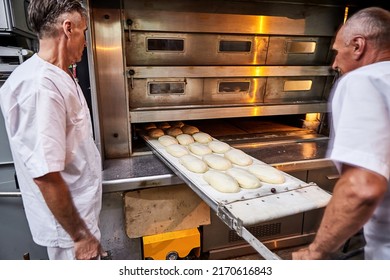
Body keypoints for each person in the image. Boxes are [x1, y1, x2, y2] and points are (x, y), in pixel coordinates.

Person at [0, 0, 104, 260]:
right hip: (69, 233)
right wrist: (80, 237)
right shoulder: (39, 87)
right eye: (85, 32)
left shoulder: (60, 74)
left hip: (80, 218)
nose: (86, 41)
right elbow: (45, 175)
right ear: (68, 28)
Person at [293, 7, 390, 260]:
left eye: (337, 52)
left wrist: (316, 251)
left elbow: (362, 188)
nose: (335, 63)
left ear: (358, 45)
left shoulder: (364, 79)